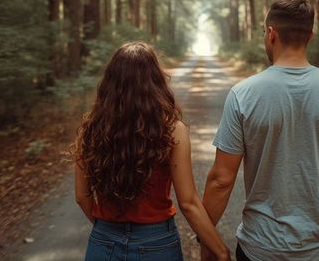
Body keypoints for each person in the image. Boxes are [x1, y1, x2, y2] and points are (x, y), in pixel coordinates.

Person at [201, 0, 319, 261]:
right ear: (311, 35)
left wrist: (206, 238)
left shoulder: (243, 95)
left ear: (271, 34)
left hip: (260, 250)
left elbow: (221, 180)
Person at [73, 42, 230, 261]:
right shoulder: (172, 129)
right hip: (156, 244)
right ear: (155, 80)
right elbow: (188, 202)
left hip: (103, 242)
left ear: (110, 81)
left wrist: (107, 229)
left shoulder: (90, 128)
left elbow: (82, 196)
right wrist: (220, 250)